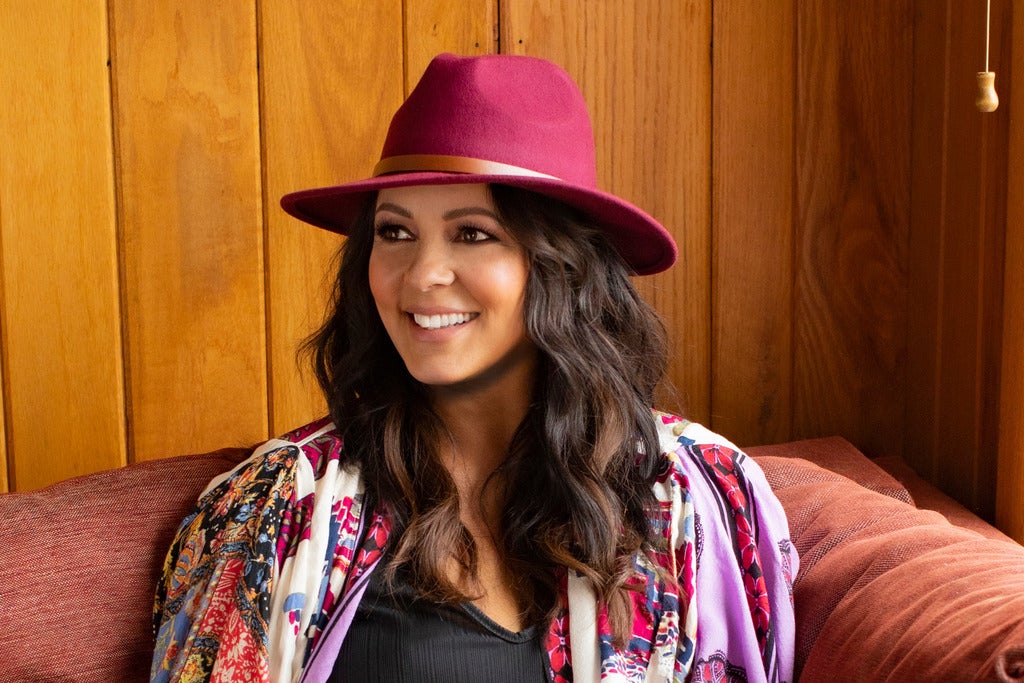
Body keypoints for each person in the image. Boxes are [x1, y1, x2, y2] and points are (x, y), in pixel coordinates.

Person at [150, 53, 797, 683]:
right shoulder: (280, 506)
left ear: (563, 267)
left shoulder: (696, 496)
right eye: (395, 232)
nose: (422, 274)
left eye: (472, 233)